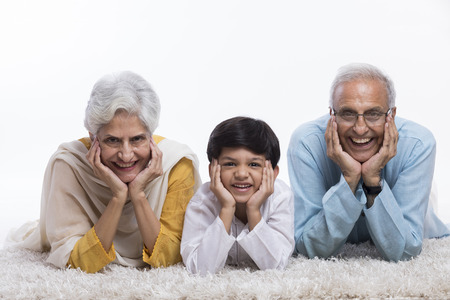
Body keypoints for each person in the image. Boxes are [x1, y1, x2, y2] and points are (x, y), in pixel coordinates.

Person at [8, 71, 201, 273]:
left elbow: (169, 258)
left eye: (137, 139)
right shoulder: (70, 164)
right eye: (112, 140)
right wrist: (118, 197)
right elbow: (76, 261)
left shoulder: (176, 164)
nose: (126, 155)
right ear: (93, 138)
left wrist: (138, 194)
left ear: (150, 135)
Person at [287, 63, 450, 261]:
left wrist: (373, 180)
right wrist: (349, 179)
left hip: (410, 196)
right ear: (332, 115)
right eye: (348, 113)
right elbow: (309, 248)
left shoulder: (418, 144)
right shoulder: (306, 143)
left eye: (373, 114)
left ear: (392, 115)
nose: (361, 128)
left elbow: (404, 251)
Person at [181, 116, 294, 275]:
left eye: (254, 164)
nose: (241, 174)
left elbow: (276, 266)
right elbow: (200, 269)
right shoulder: (203, 201)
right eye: (230, 164)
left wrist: (254, 211)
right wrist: (227, 209)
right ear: (213, 170)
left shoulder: (280, 196)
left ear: (273, 173)